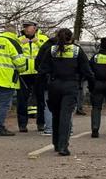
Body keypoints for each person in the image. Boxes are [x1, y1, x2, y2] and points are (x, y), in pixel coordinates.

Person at [37, 28, 92, 156]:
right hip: (71, 85)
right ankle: (63, 146)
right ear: (71, 38)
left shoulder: (51, 50)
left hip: (54, 86)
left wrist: (39, 86)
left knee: (56, 115)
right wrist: (92, 85)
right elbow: (87, 70)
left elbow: (42, 70)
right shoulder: (77, 50)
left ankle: (56, 143)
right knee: (65, 116)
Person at [15, 19, 49, 133]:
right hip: (23, 73)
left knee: (40, 100)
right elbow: (13, 52)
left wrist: (37, 42)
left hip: (38, 73)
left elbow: (48, 50)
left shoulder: (43, 38)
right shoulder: (18, 40)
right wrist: (21, 43)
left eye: (28, 26)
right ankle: (22, 125)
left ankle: (41, 123)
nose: (26, 28)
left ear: (35, 28)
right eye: (24, 27)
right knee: (21, 100)